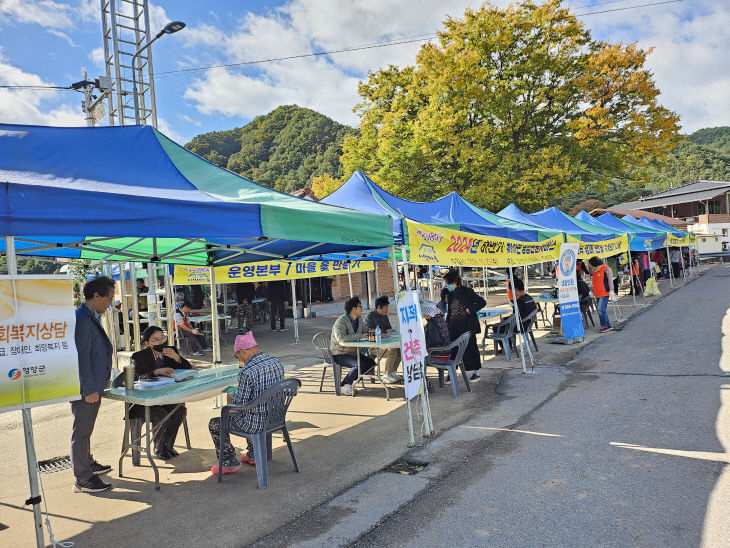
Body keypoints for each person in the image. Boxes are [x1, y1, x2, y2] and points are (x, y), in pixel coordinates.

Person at [208, 332, 285, 475]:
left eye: (237, 356)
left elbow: (239, 406)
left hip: (256, 423)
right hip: (275, 418)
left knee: (217, 422)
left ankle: (228, 462)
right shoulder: (275, 361)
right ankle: (253, 454)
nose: (239, 360)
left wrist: (230, 398)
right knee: (251, 408)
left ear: (243, 352)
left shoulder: (246, 371)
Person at [72, 276, 115, 493]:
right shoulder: (81, 318)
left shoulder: (90, 315)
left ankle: (87, 463)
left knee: (86, 431)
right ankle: (82, 478)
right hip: (86, 388)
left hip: (93, 385)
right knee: (81, 432)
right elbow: (81, 358)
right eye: (109, 298)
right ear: (96, 296)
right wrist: (88, 389)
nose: (111, 302)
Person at [130, 326, 191, 459]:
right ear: (147, 343)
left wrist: (177, 358)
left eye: (162, 338)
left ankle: (167, 446)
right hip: (145, 401)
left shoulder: (170, 351)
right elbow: (135, 378)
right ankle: (159, 448)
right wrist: (155, 372)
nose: (160, 342)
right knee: (162, 414)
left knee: (180, 409)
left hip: (167, 396)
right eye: (156, 340)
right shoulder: (139, 356)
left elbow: (187, 368)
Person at [443, 269, 486, 380]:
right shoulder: (450, 293)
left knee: (471, 347)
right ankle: (451, 372)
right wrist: (447, 324)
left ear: (454, 282)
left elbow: (482, 302)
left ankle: (476, 372)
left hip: (467, 324)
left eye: (448, 283)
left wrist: (470, 310)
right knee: (453, 348)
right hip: (453, 325)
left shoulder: (467, 291)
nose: (447, 285)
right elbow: (450, 311)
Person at [330, 296, 377, 396]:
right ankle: (344, 385)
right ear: (353, 309)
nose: (361, 308)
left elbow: (366, 330)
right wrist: (359, 336)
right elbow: (340, 338)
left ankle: (350, 383)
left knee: (371, 363)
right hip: (340, 353)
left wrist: (378, 333)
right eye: (360, 306)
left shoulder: (359, 319)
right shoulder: (341, 321)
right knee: (357, 365)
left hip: (352, 352)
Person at [364, 295, 402, 383]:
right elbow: (368, 331)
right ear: (378, 307)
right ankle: (386, 374)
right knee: (392, 352)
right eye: (385, 308)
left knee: (399, 350)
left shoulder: (384, 315)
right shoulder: (369, 316)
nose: (387, 310)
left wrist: (390, 331)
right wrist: (384, 331)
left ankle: (392, 372)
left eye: (387, 308)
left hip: (385, 343)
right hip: (373, 347)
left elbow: (389, 328)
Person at [493, 277, 536, 352]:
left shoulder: (519, 302)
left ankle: (506, 347)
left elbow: (514, 317)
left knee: (497, 327)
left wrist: (505, 319)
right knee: (505, 323)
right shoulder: (529, 298)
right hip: (528, 323)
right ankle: (510, 346)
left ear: (515, 289)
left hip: (521, 325)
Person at [588, 256, 613, 332]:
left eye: (590, 264)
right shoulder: (594, 270)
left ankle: (604, 325)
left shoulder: (606, 269)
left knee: (600, 309)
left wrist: (611, 290)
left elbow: (610, 280)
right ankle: (608, 325)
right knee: (602, 310)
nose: (590, 265)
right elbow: (594, 282)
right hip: (597, 292)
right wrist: (592, 291)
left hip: (604, 292)